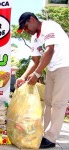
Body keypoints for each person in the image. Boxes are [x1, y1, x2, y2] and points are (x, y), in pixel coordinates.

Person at [15, 12, 69, 149]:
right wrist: (23, 76)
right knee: (48, 102)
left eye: (26, 26)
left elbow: (49, 51)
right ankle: (45, 135)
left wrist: (37, 74)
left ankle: (51, 138)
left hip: (65, 66)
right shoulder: (34, 39)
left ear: (32, 19)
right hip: (51, 69)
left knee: (59, 103)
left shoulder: (49, 26)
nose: (26, 31)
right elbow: (35, 61)